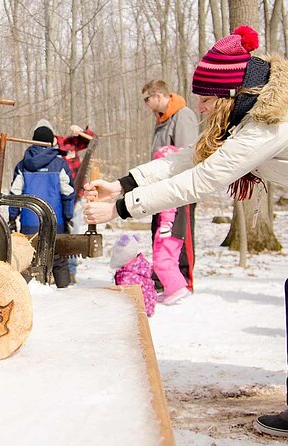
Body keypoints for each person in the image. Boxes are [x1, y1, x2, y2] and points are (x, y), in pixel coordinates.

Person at [81, 26, 288, 437]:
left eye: (207, 98)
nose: (202, 107)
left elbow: (203, 179)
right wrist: (123, 183)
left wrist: (119, 209)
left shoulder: (268, 125)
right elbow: (189, 158)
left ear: (229, 95)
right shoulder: (247, 118)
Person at [142, 79, 198, 293]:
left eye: (147, 99)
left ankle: (184, 280)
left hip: (179, 189)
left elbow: (186, 154)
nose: (146, 104)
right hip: (160, 189)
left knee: (180, 234)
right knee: (159, 232)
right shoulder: (161, 120)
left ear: (158, 95)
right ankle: (163, 277)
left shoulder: (182, 115)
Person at [8, 119, 75, 288]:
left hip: (29, 224)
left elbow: (15, 194)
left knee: (29, 262)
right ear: (51, 141)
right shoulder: (60, 164)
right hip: (55, 223)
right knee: (59, 261)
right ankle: (65, 298)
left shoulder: (22, 166)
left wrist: (12, 218)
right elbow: (68, 193)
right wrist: (67, 217)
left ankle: (30, 300)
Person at [56, 124, 98, 284]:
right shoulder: (46, 151)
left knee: (73, 234)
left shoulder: (69, 143)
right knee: (59, 234)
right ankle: (59, 270)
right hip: (58, 200)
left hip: (76, 197)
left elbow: (93, 140)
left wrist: (82, 132)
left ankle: (72, 271)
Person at [151, 145, 191, 305]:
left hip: (169, 228)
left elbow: (169, 205)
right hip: (176, 228)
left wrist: (166, 225)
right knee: (170, 259)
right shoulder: (180, 182)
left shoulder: (169, 183)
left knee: (162, 259)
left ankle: (177, 289)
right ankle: (170, 289)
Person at [110, 234, 157, 317]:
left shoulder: (126, 277)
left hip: (137, 310)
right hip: (148, 305)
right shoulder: (140, 266)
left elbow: (124, 298)